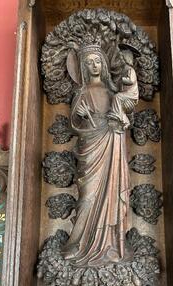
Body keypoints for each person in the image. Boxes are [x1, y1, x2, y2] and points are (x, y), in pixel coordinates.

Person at [62, 44, 137, 267]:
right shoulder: (81, 93)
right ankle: (79, 244)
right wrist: (81, 115)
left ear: (103, 65)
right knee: (87, 198)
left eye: (97, 61)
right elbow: (75, 124)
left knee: (111, 195)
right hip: (91, 147)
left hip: (112, 144)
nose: (93, 66)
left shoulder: (113, 93)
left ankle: (110, 246)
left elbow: (126, 108)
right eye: (88, 63)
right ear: (83, 68)